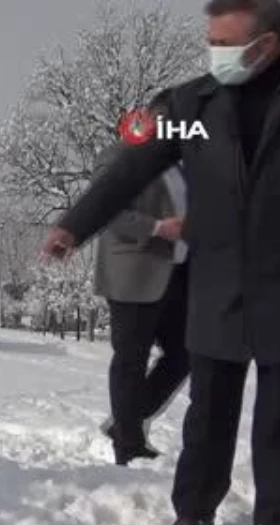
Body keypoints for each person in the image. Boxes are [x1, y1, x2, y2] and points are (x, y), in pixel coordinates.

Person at [39, 0, 280, 525]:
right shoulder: (192, 104)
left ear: (270, 42)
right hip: (219, 281)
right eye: (213, 42)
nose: (217, 55)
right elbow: (132, 166)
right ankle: (194, 512)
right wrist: (74, 225)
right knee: (210, 408)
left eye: (228, 44)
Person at [92, 90, 191, 466]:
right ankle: (128, 445)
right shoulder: (119, 156)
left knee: (185, 352)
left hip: (176, 274)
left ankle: (126, 421)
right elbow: (104, 211)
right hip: (132, 273)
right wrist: (155, 228)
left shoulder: (179, 164)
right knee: (130, 359)